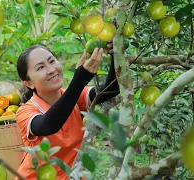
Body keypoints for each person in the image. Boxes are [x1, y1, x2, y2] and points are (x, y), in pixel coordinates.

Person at [15, 44, 120, 180]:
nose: (51, 69)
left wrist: (115, 54)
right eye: (40, 67)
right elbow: (48, 125)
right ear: (28, 83)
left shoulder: (75, 97)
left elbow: (110, 90)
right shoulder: (25, 112)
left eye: (52, 61)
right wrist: (79, 81)